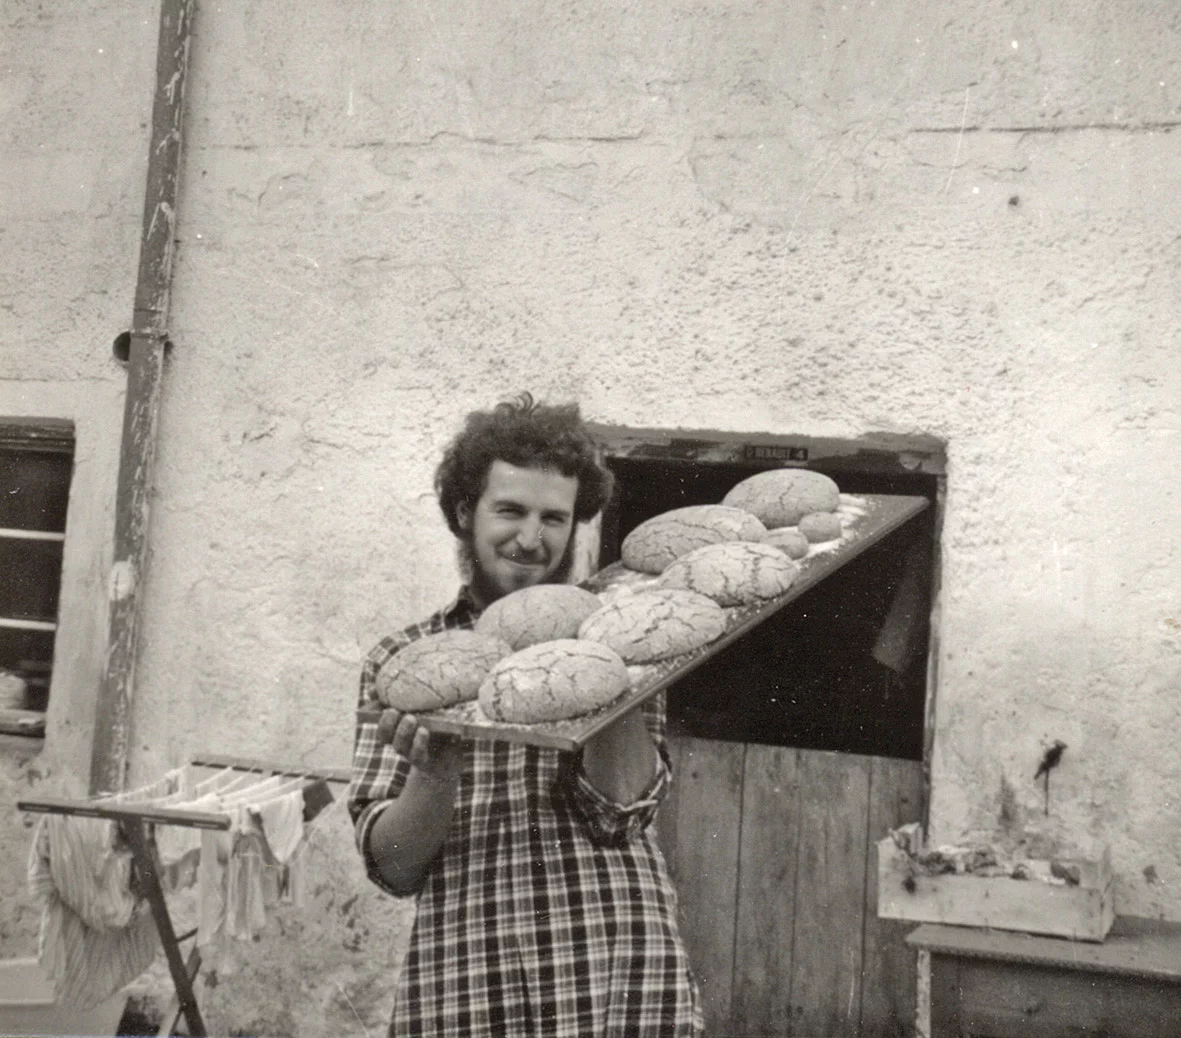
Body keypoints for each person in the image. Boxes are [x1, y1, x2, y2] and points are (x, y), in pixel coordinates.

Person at [347, 392, 703, 1037]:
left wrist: (604, 664)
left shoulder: (620, 639)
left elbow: (623, 813)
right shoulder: (405, 663)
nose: (531, 539)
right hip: (467, 980)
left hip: (616, 975)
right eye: (510, 510)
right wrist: (434, 772)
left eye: (555, 518)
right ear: (464, 512)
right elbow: (394, 869)